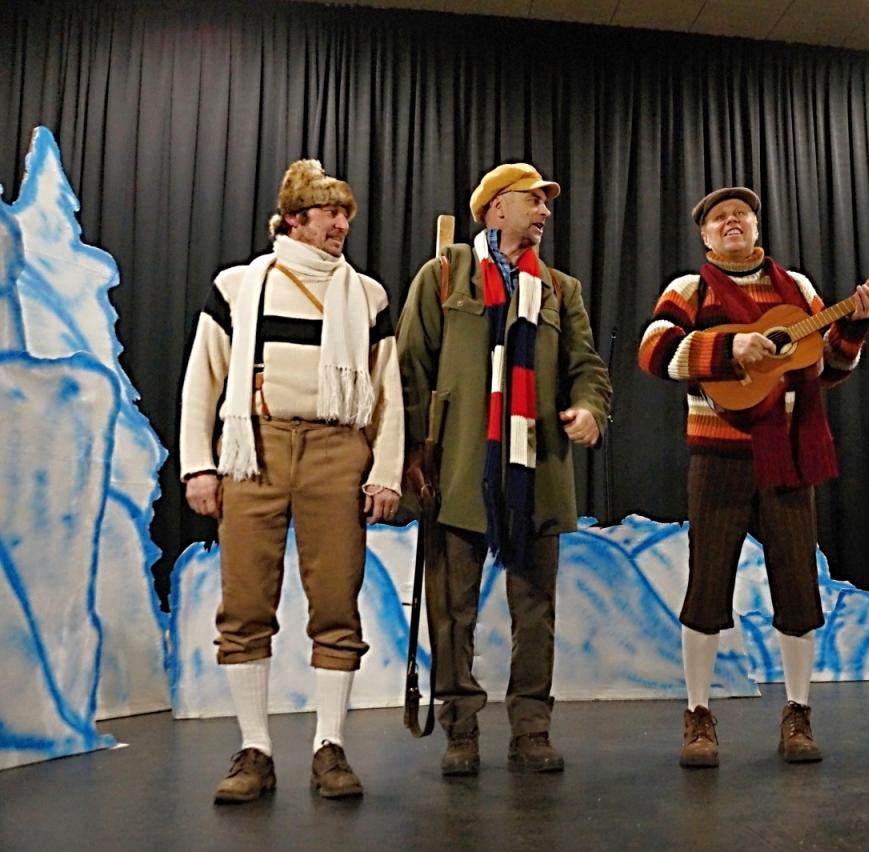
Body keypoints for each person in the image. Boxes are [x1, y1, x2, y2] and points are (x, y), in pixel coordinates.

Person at [638, 186, 869, 767]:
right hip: (718, 454)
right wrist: (730, 348)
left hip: (790, 450)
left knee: (797, 581)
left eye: (741, 215)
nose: (732, 222)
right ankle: (698, 714)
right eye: (719, 217)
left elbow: (826, 367)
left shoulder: (796, 288)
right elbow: (653, 352)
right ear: (704, 236)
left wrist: (853, 328)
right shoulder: (689, 289)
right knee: (707, 582)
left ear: (756, 227)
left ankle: (798, 711)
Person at [180, 159, 403, 801]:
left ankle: (330, 746)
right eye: (330, 212)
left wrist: (385, 472)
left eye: (346, 214)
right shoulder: (239, 286)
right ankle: (254, 749)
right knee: (245, 602)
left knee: (336, 602)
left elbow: (387, 392)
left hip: (337, 447)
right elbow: (202, 382)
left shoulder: (366, 296)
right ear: (294, 219)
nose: (341, 224)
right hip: (255, 446)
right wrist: (198, 465)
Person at [397, 162, 611, 776]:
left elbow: (586, 367)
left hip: (534, 470)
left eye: (546, 203)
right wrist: (412, 455)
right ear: (496, 208)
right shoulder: (445, 275)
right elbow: (410, 367)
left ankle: (531, 727)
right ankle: (460, 728)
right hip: (459, 467)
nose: (544, 211)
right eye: (532, 200)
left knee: (536, 609)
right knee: (451, 609)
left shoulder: (559, 289)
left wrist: (590, 410)